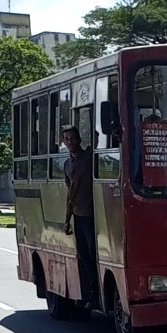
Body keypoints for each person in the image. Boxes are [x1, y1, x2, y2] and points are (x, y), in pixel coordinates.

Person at [62, 125, 99, 308]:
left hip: (92, 215)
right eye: (67, 140)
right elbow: (70, 194)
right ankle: (89, 293)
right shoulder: (67, 165)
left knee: (93, 255)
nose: (70, 142)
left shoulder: (89, 157)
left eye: (73, 138)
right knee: (83, 256)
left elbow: (98, 138)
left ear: (80, 140)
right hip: (78, 215)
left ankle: (95, 293)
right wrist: (67, 220)